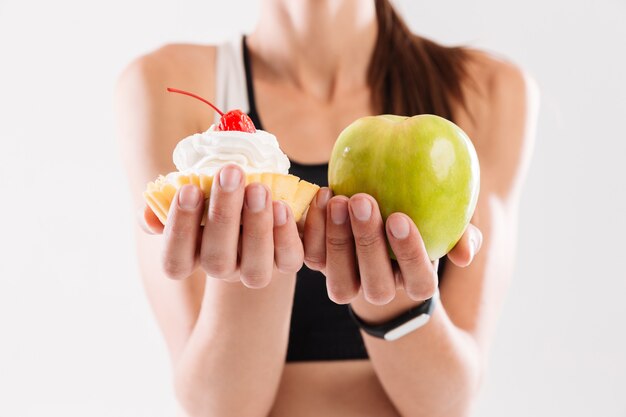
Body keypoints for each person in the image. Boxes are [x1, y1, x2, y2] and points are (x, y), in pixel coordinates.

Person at [116, 0, 538, 415]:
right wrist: (254, 268)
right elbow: (217, 407)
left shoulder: (486, 89)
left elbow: (450, 400)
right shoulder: (164, 81)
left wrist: (389, 297)